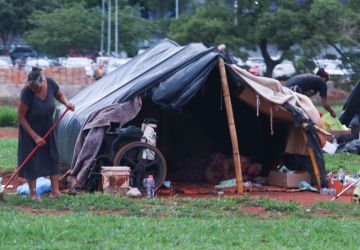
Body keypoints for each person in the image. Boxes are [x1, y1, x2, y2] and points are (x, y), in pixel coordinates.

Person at [17, 67, 75, 201]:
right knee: (32, 161)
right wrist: (35, 137)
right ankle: (33, 194)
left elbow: (59, 94)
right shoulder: (27, 93)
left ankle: (55, 192)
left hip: (48, 128)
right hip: (30, 131)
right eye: (31, 87)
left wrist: (67, 103)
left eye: (35, 88)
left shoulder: (50, 83)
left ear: (42, 81)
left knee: (53, 156)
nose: (33, 90)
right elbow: (21, 117)